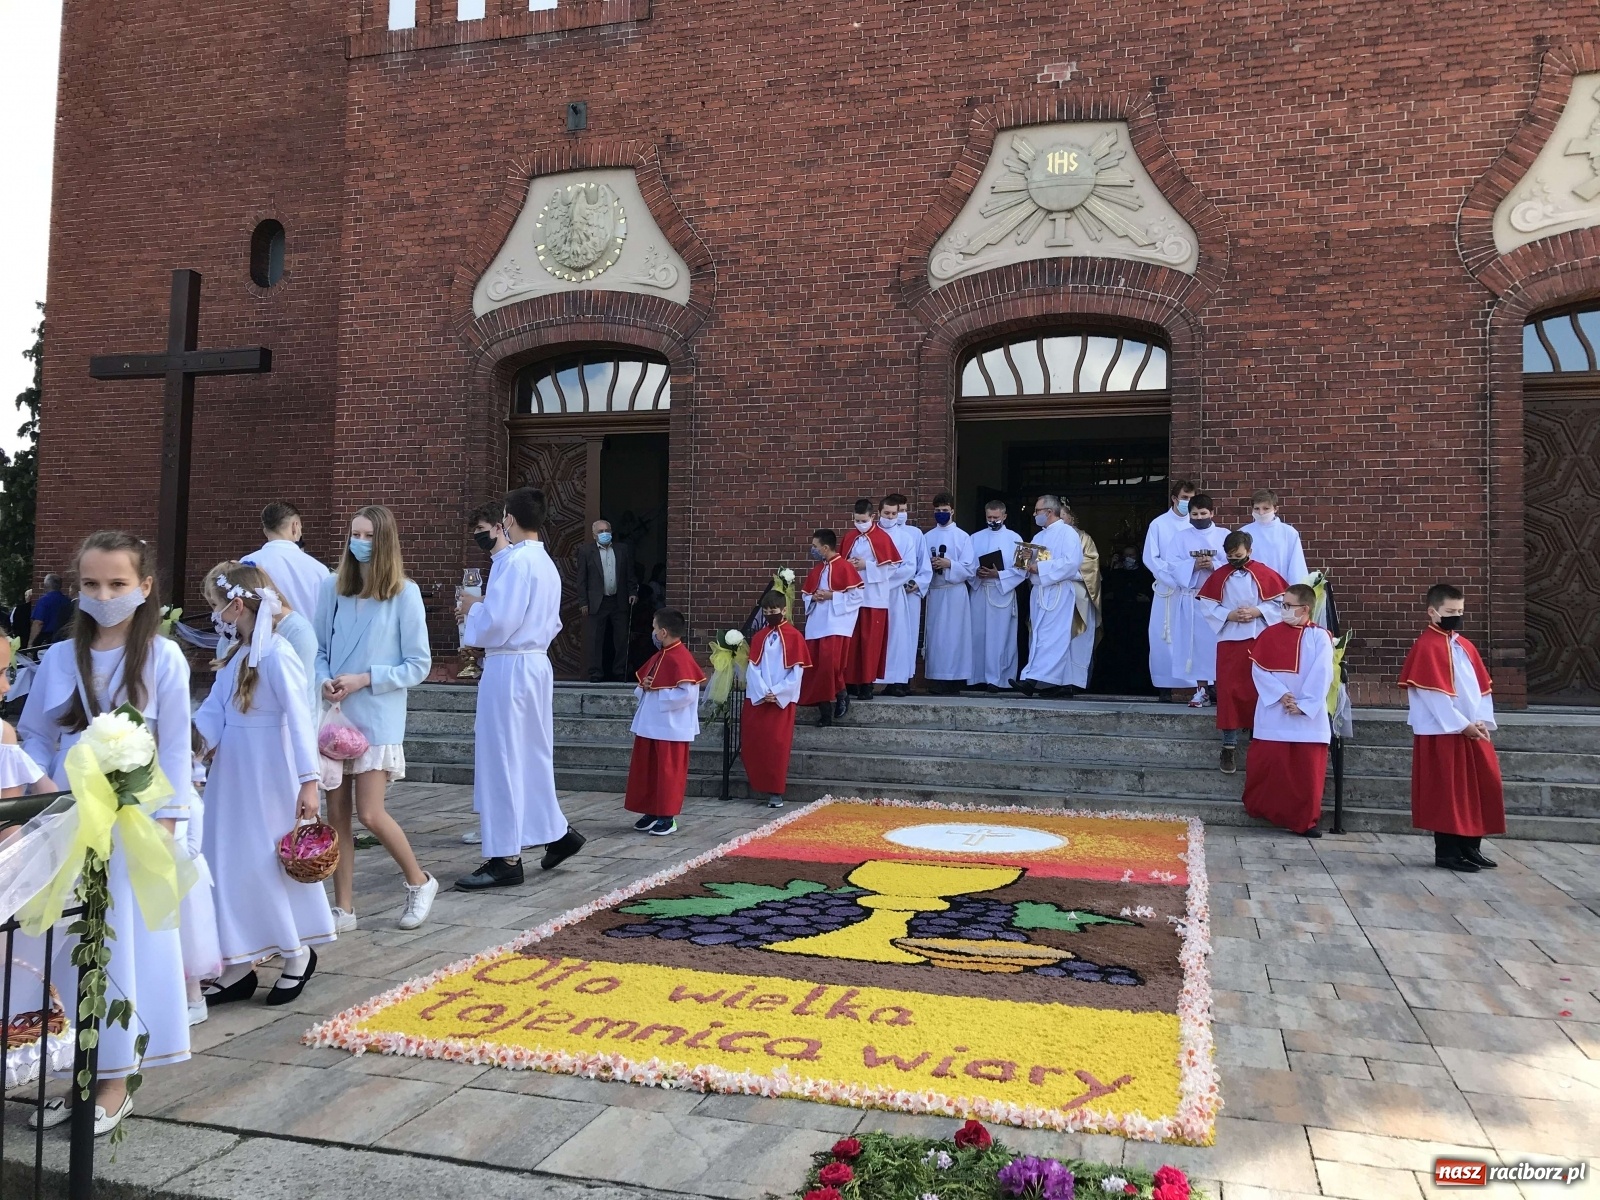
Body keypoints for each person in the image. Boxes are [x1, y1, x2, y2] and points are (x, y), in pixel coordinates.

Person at [18, 531, 191, 1136]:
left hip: (132, 821)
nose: (104, 595)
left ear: (143, 589)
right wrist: (40, 785)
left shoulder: (163, 658)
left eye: (117, 584)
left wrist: (168, 828)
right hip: (65, 817)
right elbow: (37, 733)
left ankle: (114, 1080)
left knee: (119, 948)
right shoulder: (61, 658)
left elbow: (174, 752)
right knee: (66, 947)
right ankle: (76, 1074)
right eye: (90, 585)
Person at [195, 563, 336, 1006]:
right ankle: (239, 961)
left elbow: (299, 717)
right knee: (227, 861)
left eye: (217, 607)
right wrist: (191, 745)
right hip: (232, 775)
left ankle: (296, 953)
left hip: (267, 773)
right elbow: (213, 714)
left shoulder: (276, 655)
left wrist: (309, 781)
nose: (215, 615)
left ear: (237, 606)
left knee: (262, 860)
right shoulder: (236, 656)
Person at [314, 505, 438, 931]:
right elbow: (316, 649)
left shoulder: (405, 592)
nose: (359, 543)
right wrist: (324, 680)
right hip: (334, 715)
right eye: (355, 534)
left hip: (376, 714)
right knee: (337, 817)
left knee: (370, 812)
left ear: (384, 541)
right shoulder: (332, 587)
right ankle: (343, 907)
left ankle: (419, 882)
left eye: (368, 536)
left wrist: (366, 678)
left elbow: (418, 664)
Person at [455, 488, 584, 889]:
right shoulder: (544, 561)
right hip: (535, 663)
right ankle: (558, 833)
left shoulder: (513, 562)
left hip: (509, 664)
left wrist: (470, 609)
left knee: (502, 758)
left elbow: (500, 621)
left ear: (507, 519)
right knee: (530, 754)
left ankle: (504, 858)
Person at [1399, 584, 1504, 872]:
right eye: (1450, 612)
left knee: (1480, 788)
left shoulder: (1465, 646)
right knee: (1448, 794)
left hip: (1474, 731)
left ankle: (1471, 847)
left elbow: (1481, 689)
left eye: (1460, 611)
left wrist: (1481, 720)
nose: (1456, 616)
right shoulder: (1426, 647)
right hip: (1443, 732)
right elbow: (1434, 696)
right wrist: (1462, 724)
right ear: (1432, 612)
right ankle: (1447, 853)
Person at [1242, 583, 1334, 836]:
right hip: (1275, 711)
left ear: (1305, 609)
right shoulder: (1269, 634)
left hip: (1306, 717)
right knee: (1270, 767)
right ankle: (1265, 811)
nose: (1282, 610)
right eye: (1282, 605)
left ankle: (1304, 821)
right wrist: (1281, 695)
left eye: (1287, 606)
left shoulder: (1319, 637)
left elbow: (1323, 673)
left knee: (1306, 774)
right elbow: (1258, 670)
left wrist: (1304, 704)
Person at [1197, 531, 1288, 773]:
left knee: (1260, 691)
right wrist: (1230, 615)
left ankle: (1259, 743)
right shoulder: (1220, 576)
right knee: (1229, 692)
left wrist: (1258, 611)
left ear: (1249, 550)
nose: (1234, 560)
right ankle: (1228, 746)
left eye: (1238, 555)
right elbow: (1207, 605)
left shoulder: (1265, 573)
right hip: (1230, 639)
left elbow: (1281, 602)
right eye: (1230, 557)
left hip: (1259, 639)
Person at [623, 609, 705, 835]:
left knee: (668, 773)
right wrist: (645, 686)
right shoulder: (660, 655)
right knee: (649, 771)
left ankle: (667, 817)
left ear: (663, 632)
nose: (652, 632)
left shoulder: (682, 657)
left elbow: (687, 694)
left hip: (671, 727)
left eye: (653, 627)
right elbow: (645, 685)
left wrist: (657, 691)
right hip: (650, 724)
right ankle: (652, 811)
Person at [1158, 492, 1228, 707]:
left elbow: (1233, 562)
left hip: (1218, 600)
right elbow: (1170, 564)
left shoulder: (1224, 535)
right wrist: (1193, 566)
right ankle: (1201, 690)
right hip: (1191, 597)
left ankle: (1221, 689)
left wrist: (1213, 565)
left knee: (1218, 646)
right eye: (1195, 514)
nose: (1199, 517)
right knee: (1194, 646)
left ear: (1212, 513)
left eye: (1203, 513)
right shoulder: (1181, 537)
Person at [742, 590, 810, 807]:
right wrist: (763, 691)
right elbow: (753, 667)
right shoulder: (759, 637)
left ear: (783, 610)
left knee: (777, 747)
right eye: (766, 610)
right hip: (761, 699)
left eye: (773, 610)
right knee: (757, 744)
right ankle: (759, 784)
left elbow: (797, 672)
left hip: (781, 701)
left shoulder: (794, 637)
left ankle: (775, 791)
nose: (770, 614)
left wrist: (778, 692)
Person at [1016, 495, 1085, 698]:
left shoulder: (1067, 533)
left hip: (1058, 590)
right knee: (1040, 636)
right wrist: (1026, 563)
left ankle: (1031, 681)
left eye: (1037, 511)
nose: (1035, 515)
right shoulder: (1039, 537)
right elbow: (1030, 566)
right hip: (1040, 592)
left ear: (1049, 512)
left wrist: (1041, 568)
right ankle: (1057, 685)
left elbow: (1071, 562)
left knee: (1052, 637)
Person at [799, 529, 864, 725]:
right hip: (817, 624)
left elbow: (857, 597)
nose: (813, 549)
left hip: (836, 625)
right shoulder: (818, 568)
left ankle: (841, 694)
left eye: (815, 546)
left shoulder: (845, 567)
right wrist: (813, 597)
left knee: (830, 667)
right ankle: (825, 711)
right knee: (816, 668)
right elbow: (805, 594)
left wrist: (831, 596)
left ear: (825, 548)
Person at [839, 498, 901, 700]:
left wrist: (867, 565)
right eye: (856, 520)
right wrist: (848, 565)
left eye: (863, 520)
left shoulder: (882, 538)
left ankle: (867, 684)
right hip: (853, 597)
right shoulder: (849, 537)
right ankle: (850, 683)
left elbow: (892, 567)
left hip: (874, 598)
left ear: (872, 517)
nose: (860, 524)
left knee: (870, 643)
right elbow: (838, 564)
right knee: (852, 642)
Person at [1142, 480, 1199, 699]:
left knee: (1194, 636)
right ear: (1174, 499)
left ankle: (1201, 685)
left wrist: (1189, 576)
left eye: (1191, 498)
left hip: (1192, 589)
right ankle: (1165, 684)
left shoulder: (1197, 524)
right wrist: (1173, 577)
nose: (1188, 503)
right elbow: (1151, 557)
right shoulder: (1159, 524)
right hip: (1168, 589)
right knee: (1163, 635)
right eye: (1184, 498)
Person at [875, 494, 930, 698]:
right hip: (875, 594)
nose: (892, 517)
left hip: (902, 592)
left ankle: (900, 680)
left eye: (896, 513)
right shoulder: (872, 534)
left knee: (901, 637)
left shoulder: (911, 535)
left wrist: (913, 583)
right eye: (887, 513)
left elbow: (915, 565)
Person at [241, 502, 332, 622]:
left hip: (261, 639)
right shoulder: (319, 569)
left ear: (265, 531)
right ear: (295, 526)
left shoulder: (246, 564)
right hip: (308, 639)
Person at [968, 500, 1024, 692]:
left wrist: (998, 574)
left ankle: (1000, 679)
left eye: (996, 518)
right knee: (978, 635)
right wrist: (976, 573)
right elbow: (967, 565)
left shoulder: (1016, 538)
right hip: (980, 590)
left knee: (1000, 637)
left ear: (1004, 516)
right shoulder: (974, 538)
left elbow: (1022, 570)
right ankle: (977, 678)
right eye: (989, 518)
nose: (992, 521)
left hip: (1002, 592)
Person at [922, 492, 975, 694]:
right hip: (936, 591)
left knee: (955, 636)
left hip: (955, 593)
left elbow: (970, 568)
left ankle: (955, 680)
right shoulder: (927, 537)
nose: (941, 514)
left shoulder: (963, 537)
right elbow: (920, 565)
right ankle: (937, 679)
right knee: (937, 637)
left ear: (952, 511)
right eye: (937, 511)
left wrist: (949, 564)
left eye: (945, 510)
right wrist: (931, 565)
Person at [577, 519, 637, 682]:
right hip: (597, 601)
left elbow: (629, 573)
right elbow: (582, 579)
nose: (605, 534)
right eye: (601, 531)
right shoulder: (586, 551)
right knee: (595, 639)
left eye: (607, 530)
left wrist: (632, 592)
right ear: (594, 535)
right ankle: (595, 673)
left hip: (619, 599)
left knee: (621, 638)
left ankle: (620, 671)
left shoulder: (622, 549)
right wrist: (583, 602)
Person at [1060, 506, 1101, 693]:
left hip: (1079, 595)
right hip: (1055, 595)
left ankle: (1075, 682)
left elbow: (1090, 566)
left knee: (1079, 640)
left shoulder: (1083, 538)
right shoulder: (1050, 538)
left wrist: (1059, 570)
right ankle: (1054, 681)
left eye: (1063, 517)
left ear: (1071, 518)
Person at [0, 637, 45, 796]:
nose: (6, 687)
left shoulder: (3, 735)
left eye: (5, 672)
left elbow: (9, 817)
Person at [1238, 489, 1309, 584]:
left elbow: (1296, 565)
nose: (1261, 513)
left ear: (1275, 508)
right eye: (1257, 509)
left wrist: (1296, 592)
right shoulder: (1243, 532)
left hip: (1280, 587)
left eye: (1266, 508)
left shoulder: (1288, 533)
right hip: (1251, 588)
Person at [29, 573, 72, 647]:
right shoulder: (68, 601)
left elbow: (38, 623)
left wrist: (30, 642)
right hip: (64, 639)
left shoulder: (44, 601)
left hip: (46, 640)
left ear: (46, 585)